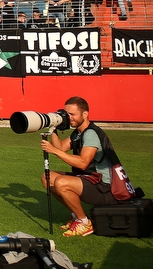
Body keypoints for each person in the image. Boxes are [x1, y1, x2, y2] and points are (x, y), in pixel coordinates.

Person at [41, 96, 121, 237]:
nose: (68, 117)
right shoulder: (78, 133)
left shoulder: (90, 133)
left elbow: (83, 163)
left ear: (85, 114)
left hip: (104, 187)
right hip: (89, 179)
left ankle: (84, 223)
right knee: (47, 178)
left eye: (72, 114)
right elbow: (61, 147)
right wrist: (53, 128)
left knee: (61, 182)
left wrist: (54, 151)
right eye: (66, 114)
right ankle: (76, 217)